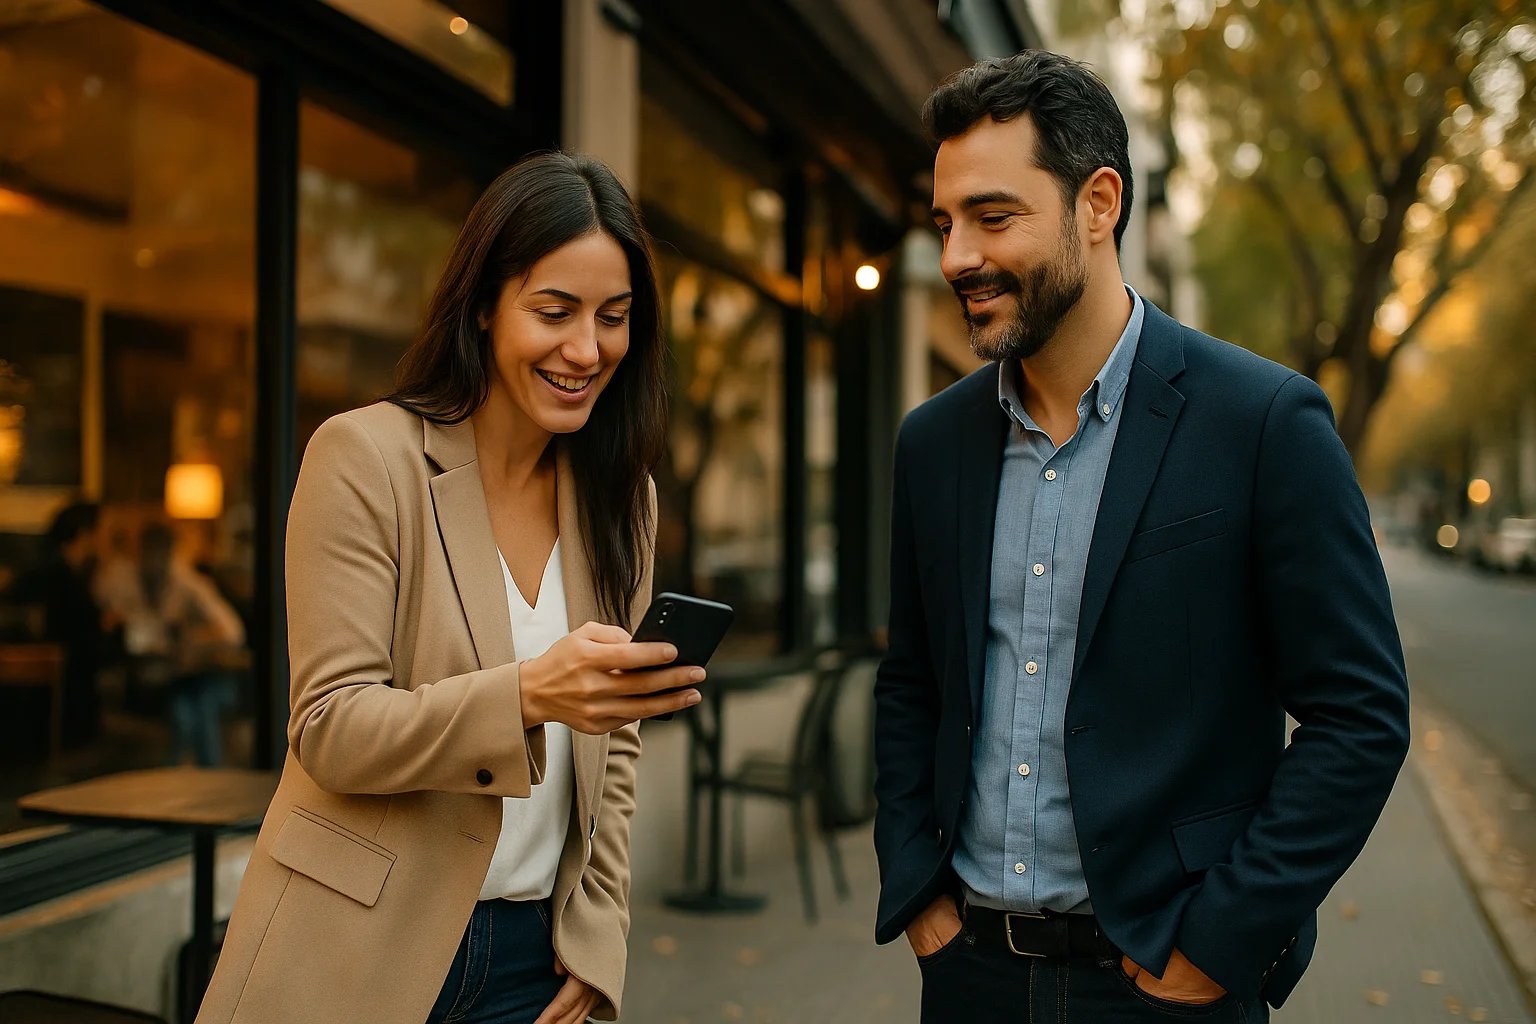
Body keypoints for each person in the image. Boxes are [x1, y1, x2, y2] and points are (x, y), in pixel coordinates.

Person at [872, 52, 1410, 1023]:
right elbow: (913, 679)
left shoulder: (1264, 423)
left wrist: (1224, 936)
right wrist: (917, 886)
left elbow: (1359, 715)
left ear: (1099, 202)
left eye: (994, 218)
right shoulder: (932, 443)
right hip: (970, 977)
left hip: (1166, 982)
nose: (955, 256)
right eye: (946, 222)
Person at [196, 153, 698, 1024]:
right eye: (554, 312)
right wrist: (532, 693)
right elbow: (332, 728)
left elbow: (614, 757)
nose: (587, 349)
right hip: (356, 949)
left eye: (613, 318)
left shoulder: (624, 500)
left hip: (534, 965)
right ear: (480, 307)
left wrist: (597, 938)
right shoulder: (365, 458)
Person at [96, 522, 245, 767]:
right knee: (191, 708)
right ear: (137, 551)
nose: (151, 560)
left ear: (169, 552)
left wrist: (189, 638)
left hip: (178, 674)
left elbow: (232, 632)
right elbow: (103, 616)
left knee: (195, 705)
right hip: (139, 675)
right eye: (146, 552)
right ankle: (203, 775)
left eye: (158, 552)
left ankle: (204, 776)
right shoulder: (119, 578)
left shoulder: (186, 582)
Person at [12, 501, 110, 746]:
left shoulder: (54, 572)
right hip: (61, 702)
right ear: (84, 534)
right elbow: (78, 641)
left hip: (53, 697)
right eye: (100, 532)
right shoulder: (60, 578)